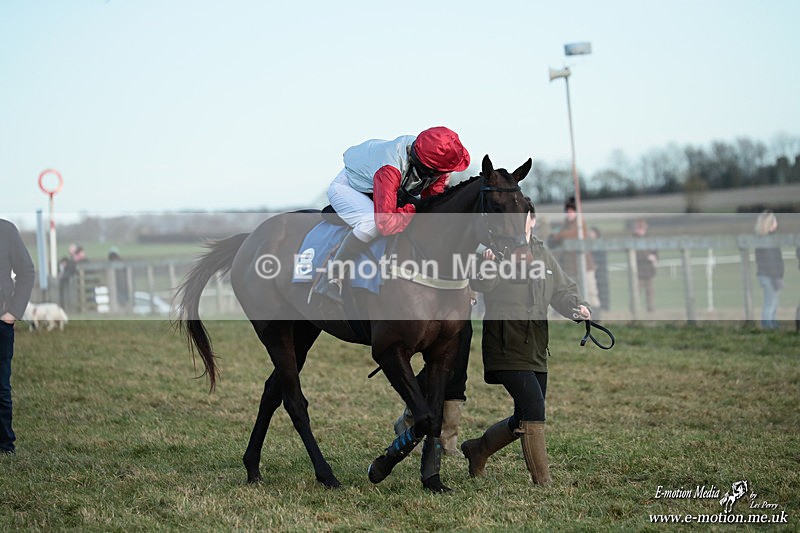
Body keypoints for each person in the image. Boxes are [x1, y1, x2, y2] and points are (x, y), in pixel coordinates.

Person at [461, 198, 590, 484]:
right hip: (505, 344)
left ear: (532, 221)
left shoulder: (543, 255)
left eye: (525, 218)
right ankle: (543, 482)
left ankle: (478, 449)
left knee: (523, 415)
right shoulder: (496, 252)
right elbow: (482, 284)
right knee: (534, 410)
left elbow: (562, 290)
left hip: (536, 346)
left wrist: (575, 306)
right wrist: (488, 265)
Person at [318, 126, 470, 303]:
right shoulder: (390, 168)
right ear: (428, 167)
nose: (446, 175)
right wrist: (414, 208)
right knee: (371, 224)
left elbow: (432, 203)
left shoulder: (438, 160)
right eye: (442, 172)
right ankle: (331, 277)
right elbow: (386, 224)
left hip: (388, 184)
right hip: (350, 186)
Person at [393, 321, 472, 456]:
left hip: (461, 305)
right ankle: (409, 420)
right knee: (442, 366)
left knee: (458, 365)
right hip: (433, 306)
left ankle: (447, 439)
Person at [0, 219, 35, 455]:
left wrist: (12, 313)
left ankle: (4, 446)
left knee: (0, 387)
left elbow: (26, 271)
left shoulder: (6, 230)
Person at [548, 197, 601, 311]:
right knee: (575, 294)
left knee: (591, 292)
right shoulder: (565, 224)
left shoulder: (581, 224)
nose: (569, 213)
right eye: (567, 211)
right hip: (570, 266)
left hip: (585, 265)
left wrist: (558, 236)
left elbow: (573, 234)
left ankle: (595, 317)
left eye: (572, 211)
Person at [754, 211, 783, 330]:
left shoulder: (764, 239)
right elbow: (771, 261)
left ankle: (773, 324)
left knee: (773, 302)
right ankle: (768, 326)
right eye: (775, 220)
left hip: (769, 275)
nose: (777, 223)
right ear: (770, 224)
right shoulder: (767, 241)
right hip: (770, 276)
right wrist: (777, 277)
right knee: (770, 303)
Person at [633, 219, 658, 312]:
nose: (641, 230)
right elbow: (635, 254)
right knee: (636, 293)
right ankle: (634, 312)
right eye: (639, 228)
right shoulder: (633, 240)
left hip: (649, 271)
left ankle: (651, 311)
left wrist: (655, 258)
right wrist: (648, 256)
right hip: (637, 272)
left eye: (642, 228)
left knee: (650, 293)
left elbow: (655, 252)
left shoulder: (650, 240)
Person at [589, 226, 610, 318]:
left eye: (592, 233)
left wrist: (597, 265)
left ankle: (605, 307)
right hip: (593, 270)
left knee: (602, 289)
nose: (590, 235)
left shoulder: (600, 243)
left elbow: (602, 257)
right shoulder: (589, 244)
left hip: (601, 271)